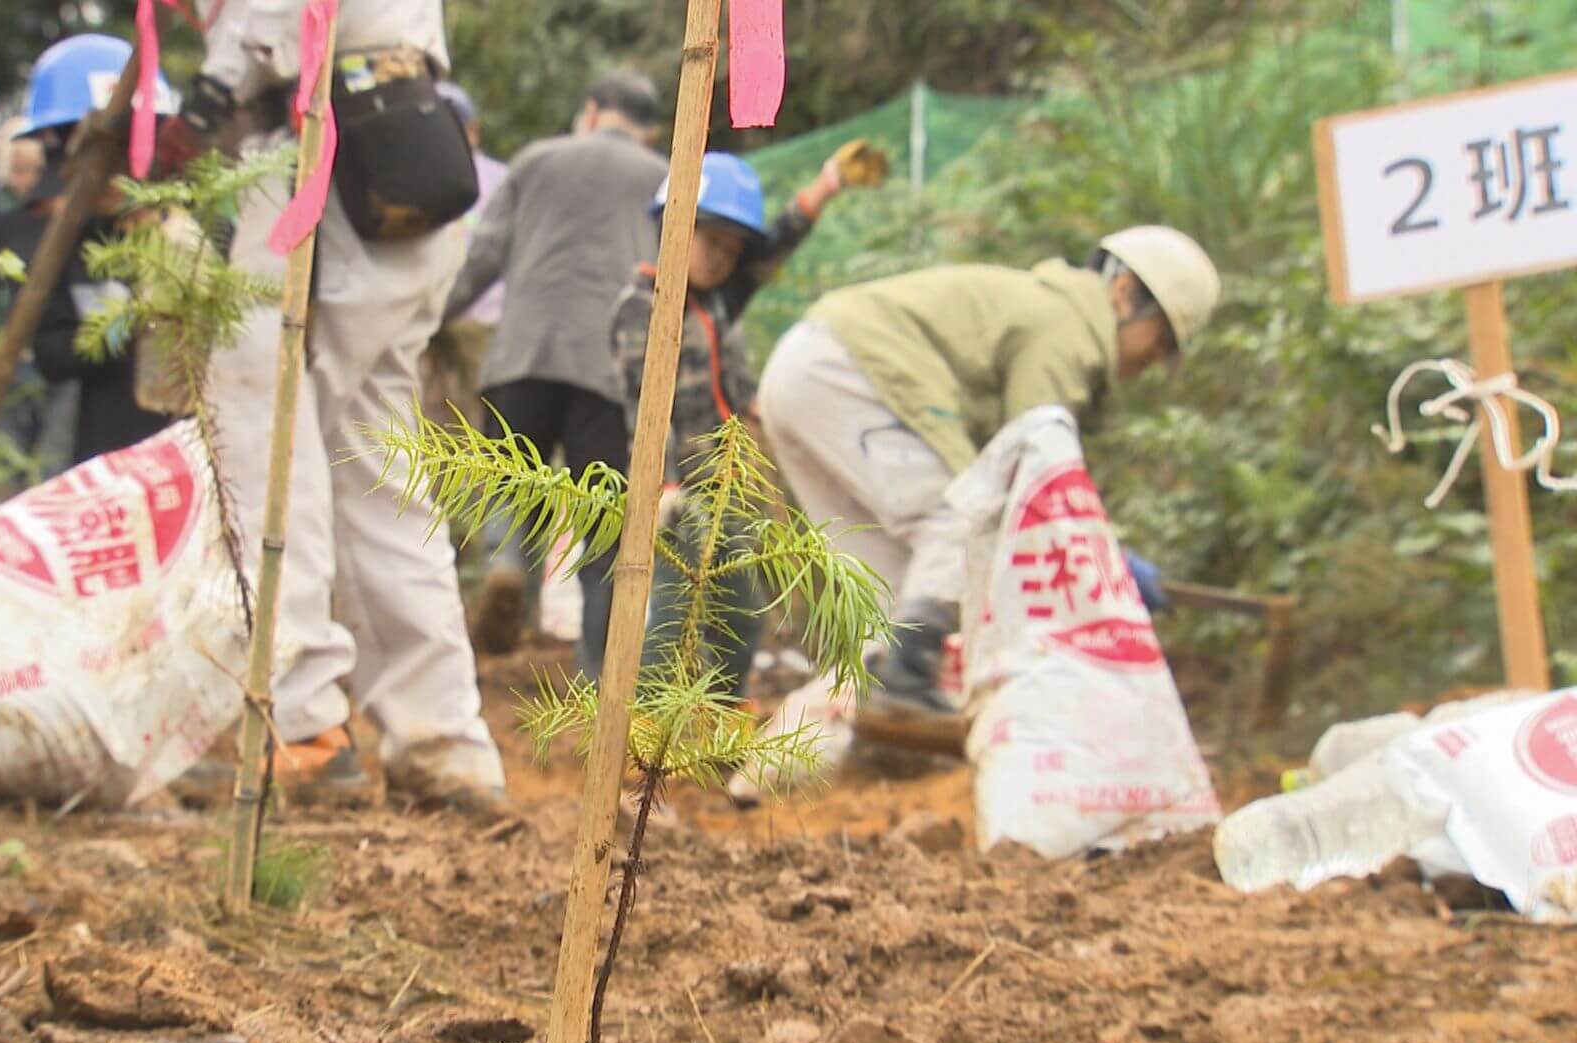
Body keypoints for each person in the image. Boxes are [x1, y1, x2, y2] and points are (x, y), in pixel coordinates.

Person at [163, 0, 509, 808]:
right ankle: (441, 741)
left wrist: (212, 86)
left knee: (264, 428)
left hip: (323, 156)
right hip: (400, 145)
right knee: (373, 461)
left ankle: (304, 717)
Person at [755, 226, 1220, 729]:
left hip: (805, 373)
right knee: (958, 524)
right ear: (1125, 293)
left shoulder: (1048, 310)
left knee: (893, 605)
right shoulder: (1068, 330)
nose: (1155, 360)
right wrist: (1104, 560)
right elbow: (1034, 475)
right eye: (1162, 340)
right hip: (843, 371)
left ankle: (779, 765)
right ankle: (908, 684)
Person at [612, 144, 884, 706]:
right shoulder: (642, 307)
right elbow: (644, 404)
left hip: (731, 482)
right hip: (679, 490)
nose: (721, 259)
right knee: (669, 612)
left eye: (732, 250)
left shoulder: (718, 302)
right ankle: (641, 739)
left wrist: (826, 184)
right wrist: (660, 482)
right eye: (710, 241)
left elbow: (776, 244)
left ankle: (719, 717)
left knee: (740, 607)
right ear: (673, 226)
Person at [438, 70, 669, 675]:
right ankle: (600, 674)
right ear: (649, 131)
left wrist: (433, 317)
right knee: (602, 524)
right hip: (609, 369)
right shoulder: (664, 177)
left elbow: (483, 256)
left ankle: (509, 564)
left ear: (591, 111)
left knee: (513, 483)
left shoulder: (536, 159)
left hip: (523, 354)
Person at [0, 34, 181, 469]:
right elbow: (51, 355)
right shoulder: (71, 243)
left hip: (186, 463)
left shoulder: (197, 236)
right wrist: (119, 330)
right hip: (98, 462)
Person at [420, 79, 505, 428]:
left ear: (474, 131)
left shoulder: (497, 178)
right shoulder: (417, 174)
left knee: (471, 426)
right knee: (424, 423)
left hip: (478, 324)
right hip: (422, 320)